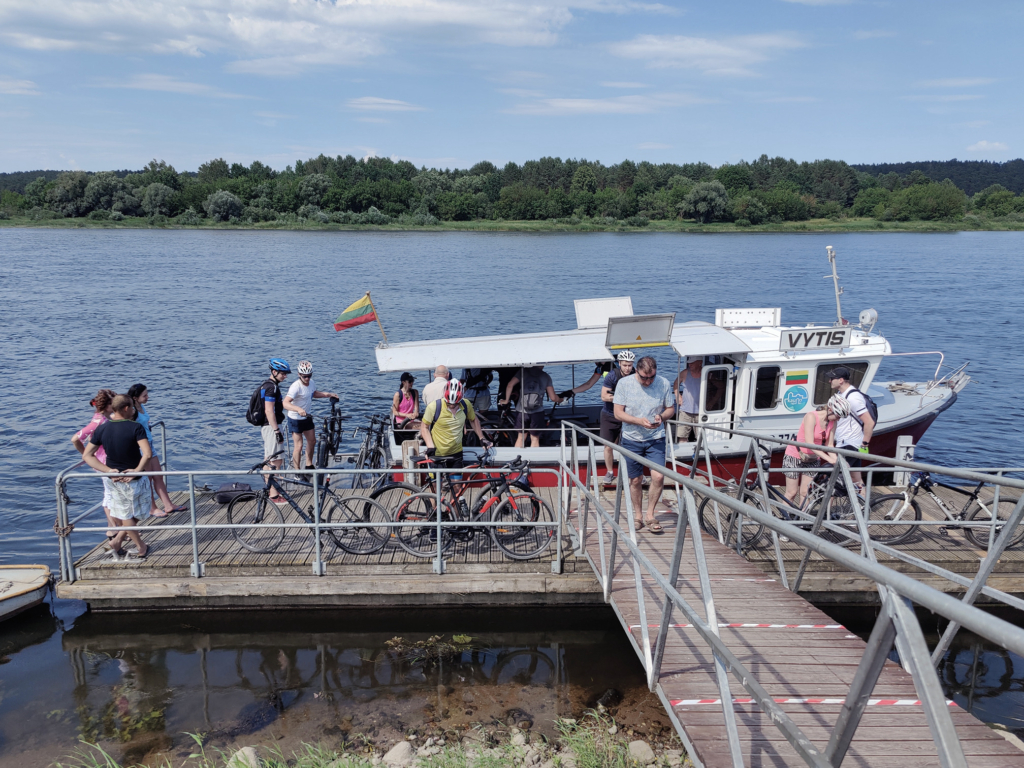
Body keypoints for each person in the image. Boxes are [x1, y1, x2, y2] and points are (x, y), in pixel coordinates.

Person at [82, 394, 153, 559]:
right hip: (134, 478)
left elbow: (87, 455)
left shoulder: (102, 428)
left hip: (114, 479)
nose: (134, 410)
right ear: (126, 408)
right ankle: (141, 547)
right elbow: (147, 454)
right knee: (133, 513)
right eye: (132, 408)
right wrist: (137, 470)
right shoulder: (135, 427)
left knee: (130, 513)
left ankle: (117, 541)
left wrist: (107, 471)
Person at [613, 356, 675, 534]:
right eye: (644, 378)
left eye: (651, 378)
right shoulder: (624, 384)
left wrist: (661, 417)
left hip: (656, 437)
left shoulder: (663, 383)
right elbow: (618, 413)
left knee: (658, 477)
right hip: (631, 439)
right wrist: (638, 421)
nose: (648, 381)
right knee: (635, 480)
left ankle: (650, 514)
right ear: (636, 371)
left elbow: (670, 408)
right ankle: (638, 515)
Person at [127, 383, 186, 517]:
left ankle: (168, 505)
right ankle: (152, 507)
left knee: (158, 475)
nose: (148, 397)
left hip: (150, 443)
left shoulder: (141, 407)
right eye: (145, 395)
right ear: (135, 398)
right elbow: (128, 426)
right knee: (147, 478)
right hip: (141, 447)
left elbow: (144, 422)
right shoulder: (132, 411)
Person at [71, 389, 118, 542]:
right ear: (106, 406)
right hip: (103, 462)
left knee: (111, 495)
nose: (116, 406)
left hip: (109, 460)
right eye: (113, 403)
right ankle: (114, 529)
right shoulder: (97, 422)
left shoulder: (107, 417)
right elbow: (75, 438)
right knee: (110, 496)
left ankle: (114, 529)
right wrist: (86, 455)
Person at [419, 379, 492, 471]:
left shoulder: (466, 404)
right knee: (437, 484)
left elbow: (473, 420)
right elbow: (424, 427)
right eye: (449, 403)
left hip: (456, 453)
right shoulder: (434, 407)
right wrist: (430, 446)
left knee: (457, 484)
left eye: (455, 403)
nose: (452, 406)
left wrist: (482, 438)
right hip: (437, 453)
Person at [283, 361, 339, 474]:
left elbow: (313, 393)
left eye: (309, 376)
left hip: (307, 417)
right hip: (295, 419)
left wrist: (327, 394)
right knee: (298, 446)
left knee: (312, 441)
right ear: (299, 374)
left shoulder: (311, 383)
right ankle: (297, 472)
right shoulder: (295, 387)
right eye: (305, 376)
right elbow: (285, 403)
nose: (307, 378)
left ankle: (309, 465)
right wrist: (298, 409)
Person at [499, 365, 569, 448]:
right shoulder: (546, 376)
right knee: (535, 438)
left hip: (521, 411)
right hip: (537, 411)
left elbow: (510, 385)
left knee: (521, 437)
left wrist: (506, 400)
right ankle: (533, 459)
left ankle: (516, 459)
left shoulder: (523, 372)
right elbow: (553, 398)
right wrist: (560, 400)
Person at [827, 366, 875, 488]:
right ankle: (863, 504)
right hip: (844, 442)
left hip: (850, 444)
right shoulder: (841, 394)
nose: (829, 381)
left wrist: (865, 444)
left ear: (841, 380)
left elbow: (869, 422)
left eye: (832, 378)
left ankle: (826, 506)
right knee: (856, 478)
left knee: (833, 479)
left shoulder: (853, 398)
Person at [783, 405, 836, 506]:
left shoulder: (833, 421)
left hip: (814, 457)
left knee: (805, 492)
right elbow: (810, 443)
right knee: (791, 492)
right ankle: (786, 517)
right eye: (838, 415)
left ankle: (801, 519)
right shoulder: (811, 416)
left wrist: (837, 461)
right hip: (795, 454)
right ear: (830, 410)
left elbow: (829, 445)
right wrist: (829, 459)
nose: (839, 418)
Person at [599, 351, 635, 488]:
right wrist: (622, 398)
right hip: (610, 414)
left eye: (630, 365)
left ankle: (633, 473)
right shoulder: (612, 376)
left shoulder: (636, 375)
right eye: (625, 365)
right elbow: (604, 396)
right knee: (608, 446)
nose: (627, 368)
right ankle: (609, 472)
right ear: (619, 363)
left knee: (630, 445)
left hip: (628, 415)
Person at [259, 359, 291, 502]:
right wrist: (277, 431)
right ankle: (273, 495)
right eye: (283, 373)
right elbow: (269, 410)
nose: (285, 376)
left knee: (270, 460)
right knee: (275, 461)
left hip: (269, 427)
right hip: (272, 427)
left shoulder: (267, 385)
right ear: (274, 372)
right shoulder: (272, 388)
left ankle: (270, 490)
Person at [672, 358, 703, 444]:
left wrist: (711, 402)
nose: (690, 364)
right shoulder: (685, 373)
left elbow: (720, 387)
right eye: (689, 362)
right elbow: (675, 384)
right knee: (682, 437)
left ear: (700, 362)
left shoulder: (707, 373)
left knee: (701, 438)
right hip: (685, 411)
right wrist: (678, 396)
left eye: (692, 362)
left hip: (701, 413)